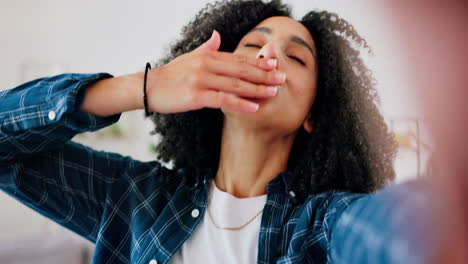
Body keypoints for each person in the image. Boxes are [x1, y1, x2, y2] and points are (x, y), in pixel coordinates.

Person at [0, 0, 434, 263]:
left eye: (296, 59)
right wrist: (145, 86)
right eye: (252, 44)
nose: (268, 55)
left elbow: (399, 232)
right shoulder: (136, 199)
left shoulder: (322, 225)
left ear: (314, 115)